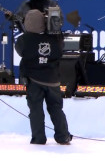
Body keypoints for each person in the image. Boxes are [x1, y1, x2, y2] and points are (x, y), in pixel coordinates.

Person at [15, 9, 72, 145]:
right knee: (56, 108)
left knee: (36, 110)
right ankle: (63, 136)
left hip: (33, 80)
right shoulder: (55, 38)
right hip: (53, 80)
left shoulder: (24, 40)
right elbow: (60, 52)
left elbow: (20, 51)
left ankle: (38, 138)